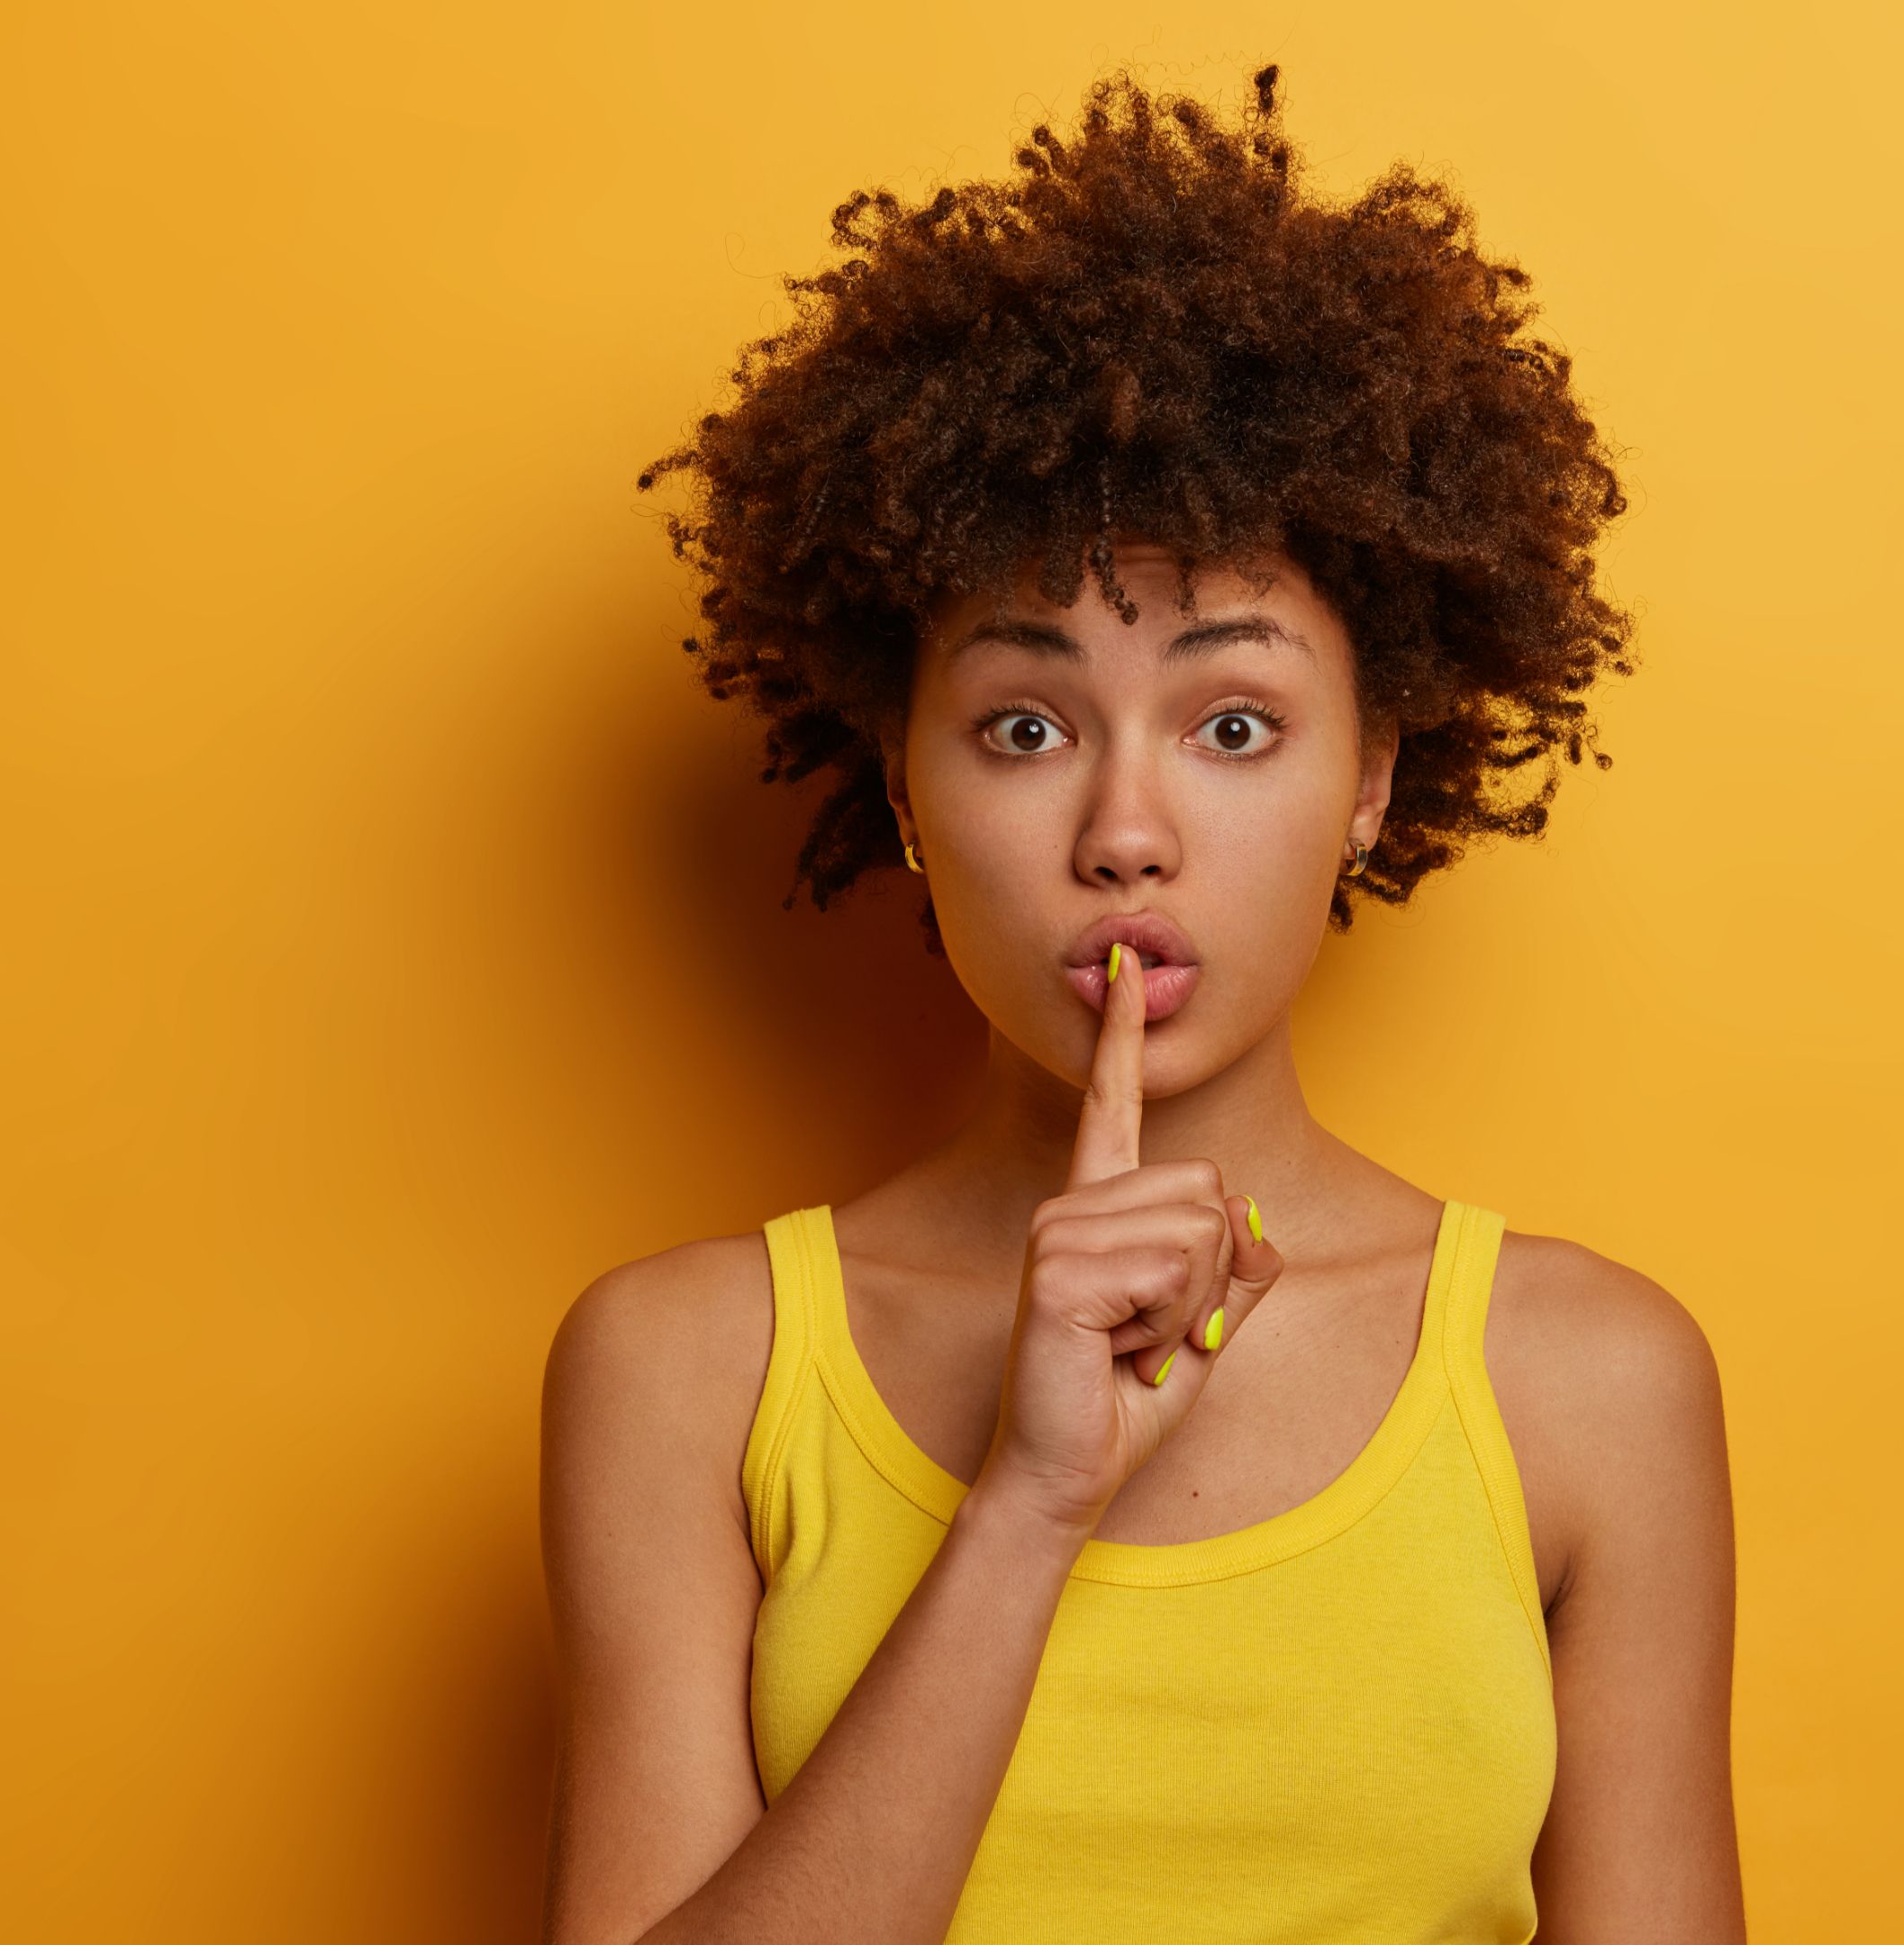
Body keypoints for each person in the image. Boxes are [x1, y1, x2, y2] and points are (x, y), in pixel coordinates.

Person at [539, 68, 1744, 1945]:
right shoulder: (691, 1372)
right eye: (1025, 729)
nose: (1124, 832)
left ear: (1370, 780)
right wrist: (1028, 1503)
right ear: (905, 783)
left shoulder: (1588, 1382)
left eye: (1234, 726)